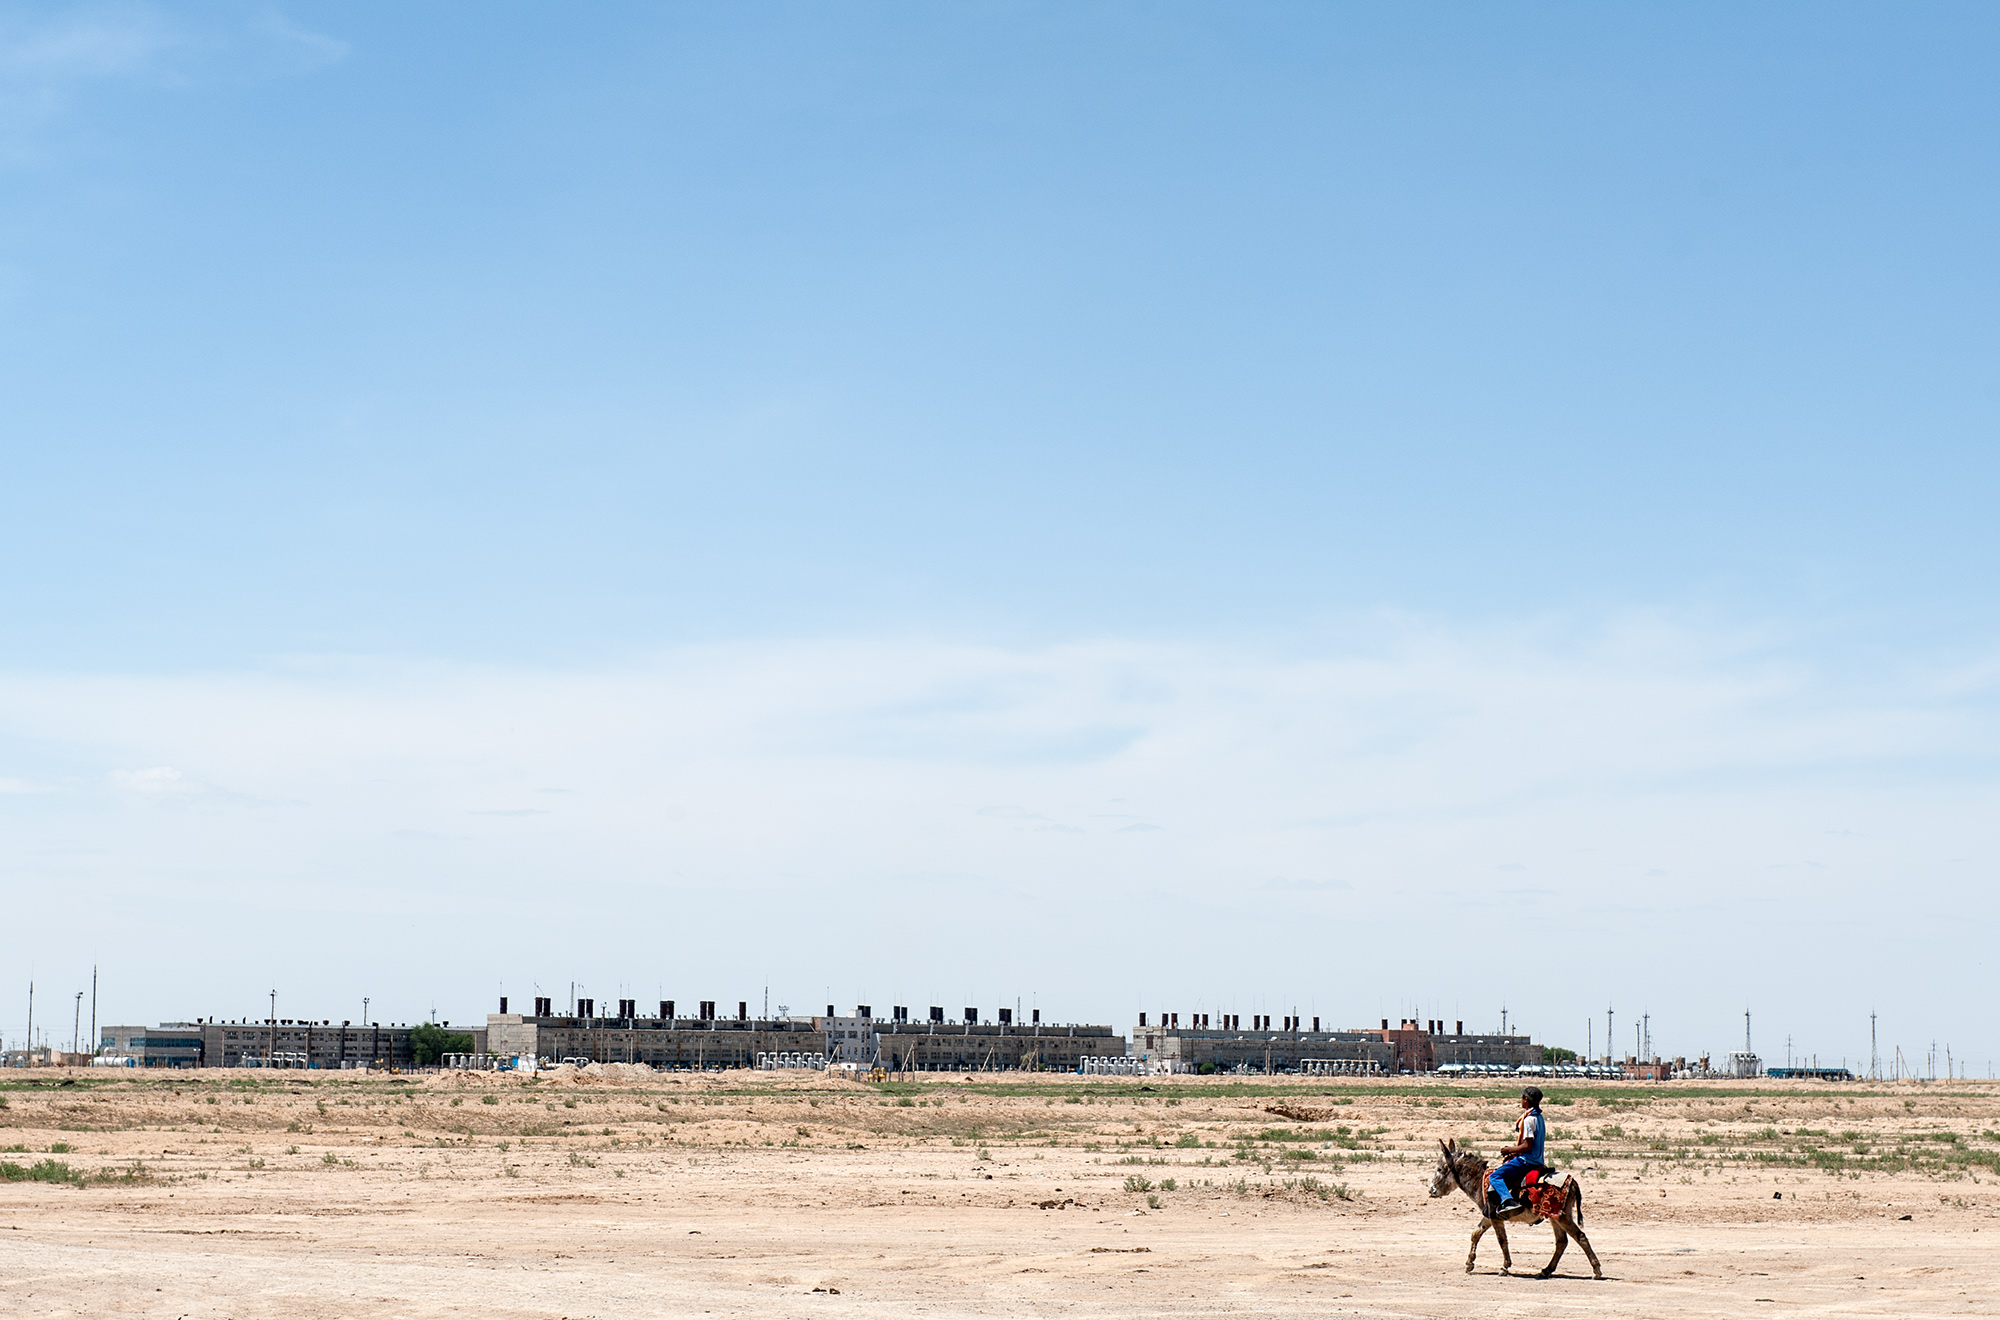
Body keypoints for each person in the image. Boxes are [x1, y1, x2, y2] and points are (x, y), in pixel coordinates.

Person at [1487, 1086, 1546, 1216]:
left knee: (1495, 1176)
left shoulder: (1529, 1120)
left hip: (1527, 1160)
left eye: (1522, 1097)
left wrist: (1509, 1149)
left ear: (1526, 1100)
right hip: (1538, 1159)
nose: (1521, 1100)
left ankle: (1508, 1201)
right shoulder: (1539, 1117)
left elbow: (1527, 1146)